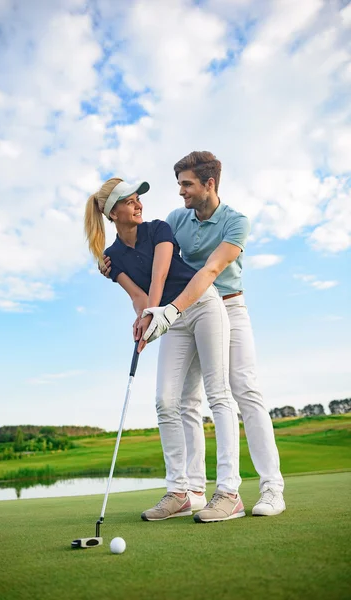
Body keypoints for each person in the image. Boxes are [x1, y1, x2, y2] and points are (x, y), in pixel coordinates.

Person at [114, 151, 286, 517]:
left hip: (228, 307)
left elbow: (209, 271)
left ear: (209, 184)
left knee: (242, 390)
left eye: (187, 184)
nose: (180, 192)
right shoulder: (177, 220)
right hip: (185, 313)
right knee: (183, 402)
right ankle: (191, 491)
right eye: (179, 185)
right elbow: (151, 253)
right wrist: (111, 263)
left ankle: (271, 488)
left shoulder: (236, 221)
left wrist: (169, 310)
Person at [85, 177, 245, 523]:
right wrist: (143, 319)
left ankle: (230, 492)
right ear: (113, 213)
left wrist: (153, 316)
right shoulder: (112, 257)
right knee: (166, 401)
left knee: (218, 394)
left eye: (138, 198)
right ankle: (180, 492)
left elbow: (157, 280)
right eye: (129, 201)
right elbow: (138, 297)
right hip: (171, 320)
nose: (138, 204)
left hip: (200, 305)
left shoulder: (158, 229)